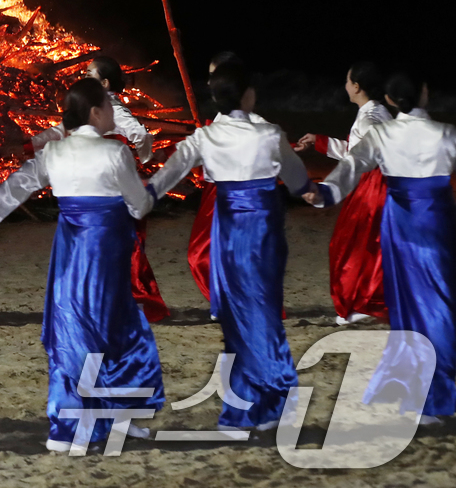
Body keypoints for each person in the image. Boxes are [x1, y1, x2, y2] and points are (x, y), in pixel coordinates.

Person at [0, 78, 164, 452]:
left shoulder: (55, 153)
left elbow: (19, 186)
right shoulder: (115, 154)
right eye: (109, 108)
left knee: (71, 328)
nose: (114, 113)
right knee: (116, 329)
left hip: (69, 249)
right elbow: (140, 205)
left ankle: (77, 420)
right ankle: (111, 416)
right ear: (95, 113)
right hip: (105, 250)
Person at [148, 63, 312, 437]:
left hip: (228, 229)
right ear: (249, 94)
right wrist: (316, 193)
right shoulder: (270, 133)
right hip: (263, 233)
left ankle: (256, 406)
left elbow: (168, 174)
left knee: (239, 320)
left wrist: (142, 196)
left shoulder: (206, 137)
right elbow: (299, 180)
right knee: (262, 313)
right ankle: (270, 401)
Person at [307, 72, 455, 423]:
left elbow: (352, 165)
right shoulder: (447, 133)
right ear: (424, 92)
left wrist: (324, 193)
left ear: (389, 100)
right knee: (441, 296)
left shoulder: (381, 133)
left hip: (400, 222)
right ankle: (437, 383)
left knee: (407, 302)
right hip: (437, 221)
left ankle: (422, 387)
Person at [32, 56, 168, 322]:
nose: (82, 77)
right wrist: (29, 144)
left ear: (105, 83)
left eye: (88, 73)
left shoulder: (113, 108)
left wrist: (143, 158)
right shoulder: (88, 109)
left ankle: (132, 300)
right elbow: (58, 130)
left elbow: (140, 134)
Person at [296, 62, 391, 325]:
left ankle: (363, 305)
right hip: (376, 186)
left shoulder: (371, 118)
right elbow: (355, 150)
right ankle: (364, 303)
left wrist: (326, 190)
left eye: (348, 81)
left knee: (350, 247)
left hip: (374, 188)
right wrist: (320, 141)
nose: (346, 86)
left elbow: (364, 156)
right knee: (365, 246)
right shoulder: (375, 112)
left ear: (357, 86)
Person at [185, 51, 271, 315]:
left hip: (237, 194)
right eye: (210, 77)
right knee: (205, 254)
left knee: (219, 254)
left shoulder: (257, 125)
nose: (211, 82)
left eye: (216, 76)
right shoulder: (215, 125)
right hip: (216, 194)